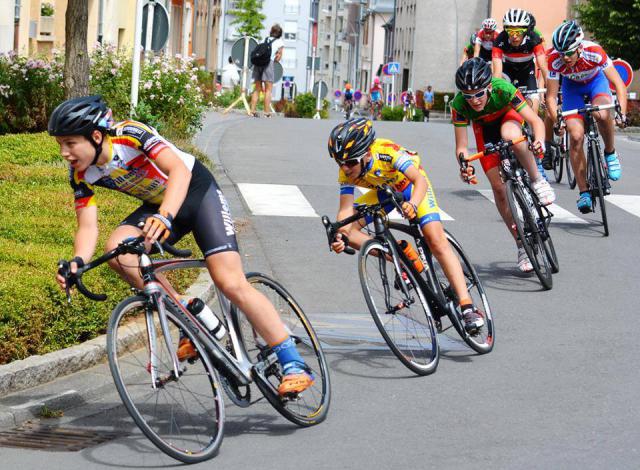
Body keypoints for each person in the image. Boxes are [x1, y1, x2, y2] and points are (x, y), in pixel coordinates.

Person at [49, 95, 314, 396]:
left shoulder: (130, 135)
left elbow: (179, 171)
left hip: (197, 194)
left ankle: (292, 361)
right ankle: (190, 312)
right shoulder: (81, 174)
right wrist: (77, 262)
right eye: (60, 144)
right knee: (119, 250)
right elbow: (88, 225)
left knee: (229, 282)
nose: (64, 153)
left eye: (70, 143)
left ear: (96, 136)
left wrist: (165, 217)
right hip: (160, 206)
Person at [328, 118, 485, 333]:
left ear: (366, 154)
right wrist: (340, 235)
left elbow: (419, 181)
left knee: (434, 239)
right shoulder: (346, 170)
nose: (345, 168)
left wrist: (412, 204)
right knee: (348, 232)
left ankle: (467, 305)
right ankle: (401, 257)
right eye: (339, 163)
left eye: (350, 162)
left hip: (411, 188)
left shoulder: (386, 152)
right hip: (384, 192)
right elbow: (345, 210)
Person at [451, 58, 556, 273]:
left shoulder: (503, 89)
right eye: (468, 96)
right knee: (498, 189)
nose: (475, 101)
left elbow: (536, 121)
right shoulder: (459, 105)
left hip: (509, 117)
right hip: (485, 130)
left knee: (511, 135)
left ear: (489, 86)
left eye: (479, 93)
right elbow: (462, 146)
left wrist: (538, 142)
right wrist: (464, 166)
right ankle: (522, 245)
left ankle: (537, 179)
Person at [545, 21, 627, 213]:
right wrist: (557, 121)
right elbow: (550, 96)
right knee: (575, 136)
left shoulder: (595, 51)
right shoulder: (554, 60)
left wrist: (622, 113)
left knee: (602, 112)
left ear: (579, 47)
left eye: (569, 53)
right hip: (571, 88)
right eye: (561, 53)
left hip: (595, 83)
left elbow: (618, 83)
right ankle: (584, 193)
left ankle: (609, 152)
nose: (564, 58)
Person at [492, 8, 548, 115]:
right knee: (502, 100)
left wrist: (549, 89)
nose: (514, 35)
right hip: (508, 70)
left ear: (526, 30)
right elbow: (497, 72)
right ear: (505, 30)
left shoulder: (534, 38)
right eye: (510, 31)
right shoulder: (500, 40)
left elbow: (543, 67)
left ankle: (532, 129)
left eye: (518, 31)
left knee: (533, 107)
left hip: (527, 71)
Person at [250, 24, 284, 118]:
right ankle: (266, 113)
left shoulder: (264, 40)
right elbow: (278, 58)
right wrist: (277, 56)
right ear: (280, 33)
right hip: (268, 64)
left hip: (258, 64)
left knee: (257, 89)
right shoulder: (280, 42)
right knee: (268, 90)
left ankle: (252, 111)